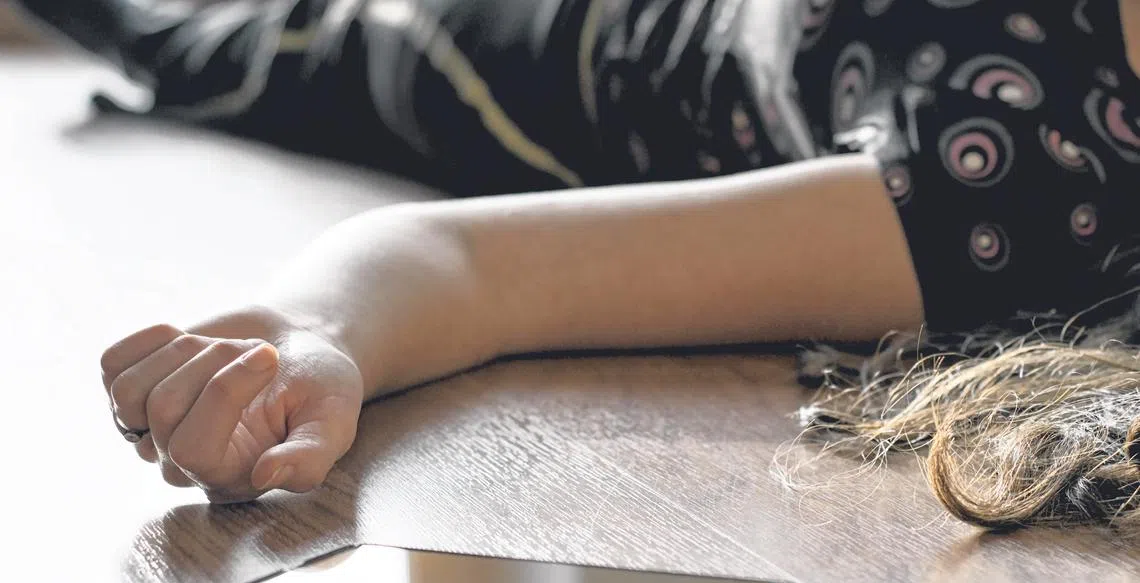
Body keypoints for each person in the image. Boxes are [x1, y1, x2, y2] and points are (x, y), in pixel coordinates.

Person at [20, 0, 1140, 532]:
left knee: (214, 47)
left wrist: (311, 329)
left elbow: (480, 271)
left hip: (547, 47)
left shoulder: (1024, 183)